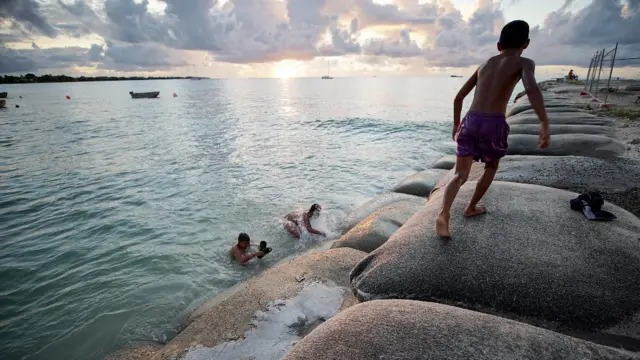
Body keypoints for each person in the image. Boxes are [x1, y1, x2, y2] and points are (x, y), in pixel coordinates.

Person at [435, 20, 550, 238]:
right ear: (526, 44)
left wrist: (456, 124)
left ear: (498, 46)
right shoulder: (525, 62)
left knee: (459, 174)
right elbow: (532, 88)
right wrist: (543, 121)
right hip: (493, 123)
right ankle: (470, 207)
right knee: (491, 166)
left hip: (470, 121)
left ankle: (444, 213)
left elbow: (459, 97)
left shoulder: (485, 64)